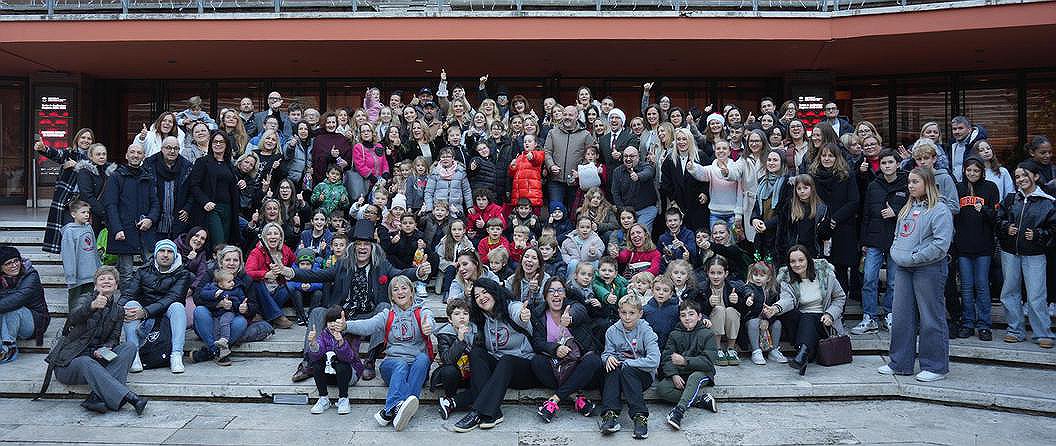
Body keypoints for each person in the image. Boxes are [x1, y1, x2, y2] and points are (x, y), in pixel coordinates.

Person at [280, 219, 432, 382]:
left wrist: (418, 272)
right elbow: (318, 275)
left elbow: (399, 274)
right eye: (358, 244)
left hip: (368, 318)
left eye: (366, 244)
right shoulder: (342, 265)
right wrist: (291, 273)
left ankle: (370, 361)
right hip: (342, 315)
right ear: (353, 247)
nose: (362, 247)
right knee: (318, 312)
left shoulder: (381, 265)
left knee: (384, 308)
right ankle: (308, 361)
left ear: (372, 248)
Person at [878, 167, 954, 381]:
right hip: (903, 267)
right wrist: (897, 252)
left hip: (929, 268)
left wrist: (915, 256)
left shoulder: (940, 210)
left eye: (915, 182)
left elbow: (941, 244)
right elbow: (898, 235)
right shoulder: (907, 208)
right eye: (909, 182)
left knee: (931, 317)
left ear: (927, 184)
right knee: (901, 317)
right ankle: (900, 363)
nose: (910, 186)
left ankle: (935, 367)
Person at [46, 267, 148, 415]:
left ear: (116, 285)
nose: (106, 281)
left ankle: (95, 398)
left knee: (129, 347)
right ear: (95, 285)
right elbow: (73, 318)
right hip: (69, 364)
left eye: (110, 279)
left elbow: (114, 338)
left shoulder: (118, 310)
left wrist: (106, 348)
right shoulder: (84, 299)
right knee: (85, 361)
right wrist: (92, 306)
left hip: (97, 362)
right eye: (102, 279)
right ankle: (131, 398)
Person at [342, 276, 435, 431]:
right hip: (392, 366)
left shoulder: (422, 311)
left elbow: (429, 319)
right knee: (401, 364)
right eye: (395, 289)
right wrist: (346, 325)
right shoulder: (387, 314)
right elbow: (368, 325)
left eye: (404, 288)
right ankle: (398, 407)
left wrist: (428, 326)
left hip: (416, 371)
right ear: (391, 296)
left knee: (423, 359)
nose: (400, 292)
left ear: (411, 292)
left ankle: (392, 411)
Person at [453, 278, 538, 433]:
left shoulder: (510, 307)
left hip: (524, 369)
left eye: (485, 292)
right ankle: (494, 412)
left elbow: (518, 312)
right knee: (477, 353)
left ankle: (476, 412)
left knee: (507, 360)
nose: (481, 297)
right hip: (500, 371)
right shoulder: (481, 319)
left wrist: (523, 315)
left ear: (494, 292)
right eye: (477, 296)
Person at [996, 162, 1055, 348]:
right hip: (1009, 252)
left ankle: (1043, 333)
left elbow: (1053, 229)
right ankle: (1015, 330)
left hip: (1035, 254)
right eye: (1017, 176)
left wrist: (1038, 235)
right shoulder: (1010, 199)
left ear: (1036, 176)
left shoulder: (1048, 202)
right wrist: (1006, 227)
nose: (1020, 179)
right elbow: (998, 219)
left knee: (1036, 294)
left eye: (1024, 175)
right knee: (1009, 292)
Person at [764, 245, 847, 376]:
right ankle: (805, 352)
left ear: (808, 259)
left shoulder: (825, 274)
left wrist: (830, 314)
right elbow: (787, 300)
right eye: (793, 261)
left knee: (808, 317)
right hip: (801, 323)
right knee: (794, 315)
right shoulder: (787, 279)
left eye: (801, 260)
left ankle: (802, 353)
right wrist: (775, 308)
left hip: (823, 322)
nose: (797, 264)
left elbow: (840, 298)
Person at [529, 277, 601, 423]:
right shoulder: (539, 314)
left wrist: (570, 319)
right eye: (551, 291)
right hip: (558, 366)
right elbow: (538, 342)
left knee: (593, 360)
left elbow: (580, 311)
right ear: (545, 296)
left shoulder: (574, 307)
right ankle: (576, 397)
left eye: (559, 290)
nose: (556, 294)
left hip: (579, 364)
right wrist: (555, 349)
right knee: (536, 361)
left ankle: (554, 400)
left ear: (565, 294)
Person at [853, 150, 907, 335]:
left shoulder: (906, 183)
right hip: (874, 239)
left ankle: (890, 314)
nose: (887, 166)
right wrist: (863, 241)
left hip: (897, 239)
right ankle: (869, 317)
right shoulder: (873, 185)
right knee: (869, 278)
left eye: (890, 162)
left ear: (897, 164)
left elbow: (912, 212)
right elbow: (866, 214)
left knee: (893, 281)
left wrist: (896, 213)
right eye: (883, 163)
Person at [123, 239, 193, 374]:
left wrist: (145, 312)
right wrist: (119, 310)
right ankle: (134, 355)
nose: (165, 255)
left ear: (175, 255)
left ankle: (176, 354)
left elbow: (173, 297)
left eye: (170, 252)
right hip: (145, 308)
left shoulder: (183, 274)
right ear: (155, 254)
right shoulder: (142, 271)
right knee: (129, 305)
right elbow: (129, 294)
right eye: (162, 251)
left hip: (166, 310)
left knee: (178, 307)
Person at [598, 295, 661, 440]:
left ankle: (640, 416)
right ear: (619, 312)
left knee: (626, 369)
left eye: (632, 313)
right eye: (623, 312)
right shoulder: (612, 331)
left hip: (642, 376)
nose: (627, 317)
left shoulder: (646, 331)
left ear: (640, 313)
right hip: (618, 376)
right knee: (612, 367)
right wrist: (608, 358)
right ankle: (610, 414)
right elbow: (606, 353)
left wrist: (627, 363)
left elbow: (654, 360)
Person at [102, 143, 159, 289]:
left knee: (151, 270)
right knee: (126, 272)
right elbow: (111, 205)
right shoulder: (116, 177)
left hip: (145, 231)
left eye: (139, 153)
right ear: (126, 155)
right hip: (124, 230)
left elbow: (155, 203)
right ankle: (127, 300)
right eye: (132, 152)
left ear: (143, 156)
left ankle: (148, 299)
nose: (135, 155)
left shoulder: (148, 177)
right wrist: (117, 229)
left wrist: (150, 219)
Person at [954, 158, 999, 340]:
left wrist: (985, 209)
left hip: (983, 246)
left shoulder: (990, 188)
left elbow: (996, 216)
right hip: (963, 245)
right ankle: (968, 323)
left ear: (982, 172)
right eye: (969, 170)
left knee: (982, 285)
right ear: (964, 171)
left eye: (976, 170)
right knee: (966, 287)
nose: (972, 173)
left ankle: (984, 325)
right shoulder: (958, 188)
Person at [658, 299, 719, 430]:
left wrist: (685, 361)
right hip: (681, 373)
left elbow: (709, 361)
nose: (687, 318)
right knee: (662, 389)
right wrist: (673, 374)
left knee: (694, 377)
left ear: (699, 316)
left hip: (702, 372)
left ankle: (678, 412)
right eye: (683, 315)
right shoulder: (674, 334)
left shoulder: (707, 334)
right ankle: (700, 400)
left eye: (691, 314)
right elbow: (667, 358)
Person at [36, 128, 93, 254]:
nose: (86, 140)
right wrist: (43, 148)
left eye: (89, 138)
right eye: (83, 137)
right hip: (68, 200)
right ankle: (68, 262)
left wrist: (77, 166)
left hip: (85, 201)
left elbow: (97, 172)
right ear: (77, 139)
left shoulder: (94, 157)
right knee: (68, 232)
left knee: (84, 236)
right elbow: (57, 154)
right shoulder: (69, 153)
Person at [188, 131, 242, 248]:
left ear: (226, 145)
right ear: (211, 144)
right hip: (212, 208)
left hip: (228, 209)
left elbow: (231, 186)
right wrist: (205, 201)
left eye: (221, 142)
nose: (218, 144)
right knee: (219, 242)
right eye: (215, 142)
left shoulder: (229, 165)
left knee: (226, 242)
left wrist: (240, 183)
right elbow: (194, 185)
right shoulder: (202, 162)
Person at [544, 105, 598, 209]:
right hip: (556, 180)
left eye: (570, 115)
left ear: (577, 117)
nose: (567, 117)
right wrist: (551, 165)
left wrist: (581, 171)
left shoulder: (585, 134)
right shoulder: (553, 132)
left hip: (576, 181)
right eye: (565, 114)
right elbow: (547, 151)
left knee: (574, 212)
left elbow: (591, 155)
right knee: (556, 210)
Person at [0, 246, 48, 363]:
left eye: (16, 261)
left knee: (13, 310)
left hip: (35, 322)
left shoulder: (31, 275)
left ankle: (8, 349)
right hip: (9, 321)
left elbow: (17, 299)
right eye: (8, 263)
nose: (14, 265)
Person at [245, 222, 296, 329]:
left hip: (277, 288)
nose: (272, 236)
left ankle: (263, 314)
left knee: (291, 286)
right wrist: (266, 274)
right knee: (257, 283)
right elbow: (248, 272)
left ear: (281, 237)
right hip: (262, 291)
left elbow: (295, 264)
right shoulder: (256, 252)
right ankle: (277, 317)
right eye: (269, 234)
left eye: (276, 234)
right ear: (264, 237)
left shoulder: (286, 250)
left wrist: (286, 272)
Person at [307, 306, 356, 415]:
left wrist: (341, 342)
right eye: (330, 321)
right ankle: (323, 399)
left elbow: (350, 358)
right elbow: (316, 355)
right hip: (329, 375)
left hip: (348, 375)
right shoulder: (324, 334)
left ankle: (344, 399)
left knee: (341, 364)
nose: (332, 324)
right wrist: (313, 343)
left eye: (336, 321)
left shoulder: (350, 334)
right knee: (316, 364)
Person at [196, 270, 252, 366]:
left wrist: (239, 306)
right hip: (215, 314)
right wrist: (214, 294)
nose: (233, 283)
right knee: (215, 326)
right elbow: (202, 294)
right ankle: (217, 349)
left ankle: (223, 340)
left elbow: (241, 300)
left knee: (226, 321)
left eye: (233, 280)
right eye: (229, 282)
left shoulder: (237, 289)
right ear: (221, 284)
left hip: (229, 312)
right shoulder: (212, 287)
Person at [432, 297, 475, 420]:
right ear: (450, 319)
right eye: (457, 314)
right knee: (448, 370)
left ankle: (451, 403)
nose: (462, 317)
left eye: (465, 313)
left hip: (470, 373)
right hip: (454, 375)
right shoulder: (444, 334)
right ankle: (450, 397)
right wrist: (460, 340)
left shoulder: (475, 331)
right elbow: (446, 360)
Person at [144, 136, 194, 242]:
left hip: (178, 219)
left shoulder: (187, 166)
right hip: (154, 219)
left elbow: (192, 190)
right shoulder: (149, 164)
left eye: (176, 148)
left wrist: (188, 208)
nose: (172, 151)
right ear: (162, 149)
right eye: (168, 147)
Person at [61, 201, 101, 311]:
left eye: (88, 212)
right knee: (75, 304)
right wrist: (70, 275)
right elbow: (68, 256)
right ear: (73, 214)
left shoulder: (89, 228)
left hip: (91, 274)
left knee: (88, 303)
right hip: (77, 277)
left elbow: (94, 250)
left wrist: (98, 268)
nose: (86, 215)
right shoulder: (69, 232)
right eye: (83, 212)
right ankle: (72, 322)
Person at [611, 146, 659, 230]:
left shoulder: (645, 166)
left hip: (646, 209)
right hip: (628, 212)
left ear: (638, 157)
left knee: (640, 230)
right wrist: (622, 210)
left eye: (632, 156)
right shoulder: (617, 171)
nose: (628, 159)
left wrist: (638, 176)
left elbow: (649, 173)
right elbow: (615, 193)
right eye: (625, 156)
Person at [75, 143, 116, 235]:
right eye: (98, 154)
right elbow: (86, 195)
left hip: (107, 214)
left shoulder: (110, 171)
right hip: (92, 215)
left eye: (104, 154)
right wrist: (104, 212)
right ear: (91, 156)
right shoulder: (85, 171)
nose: (102, 157)